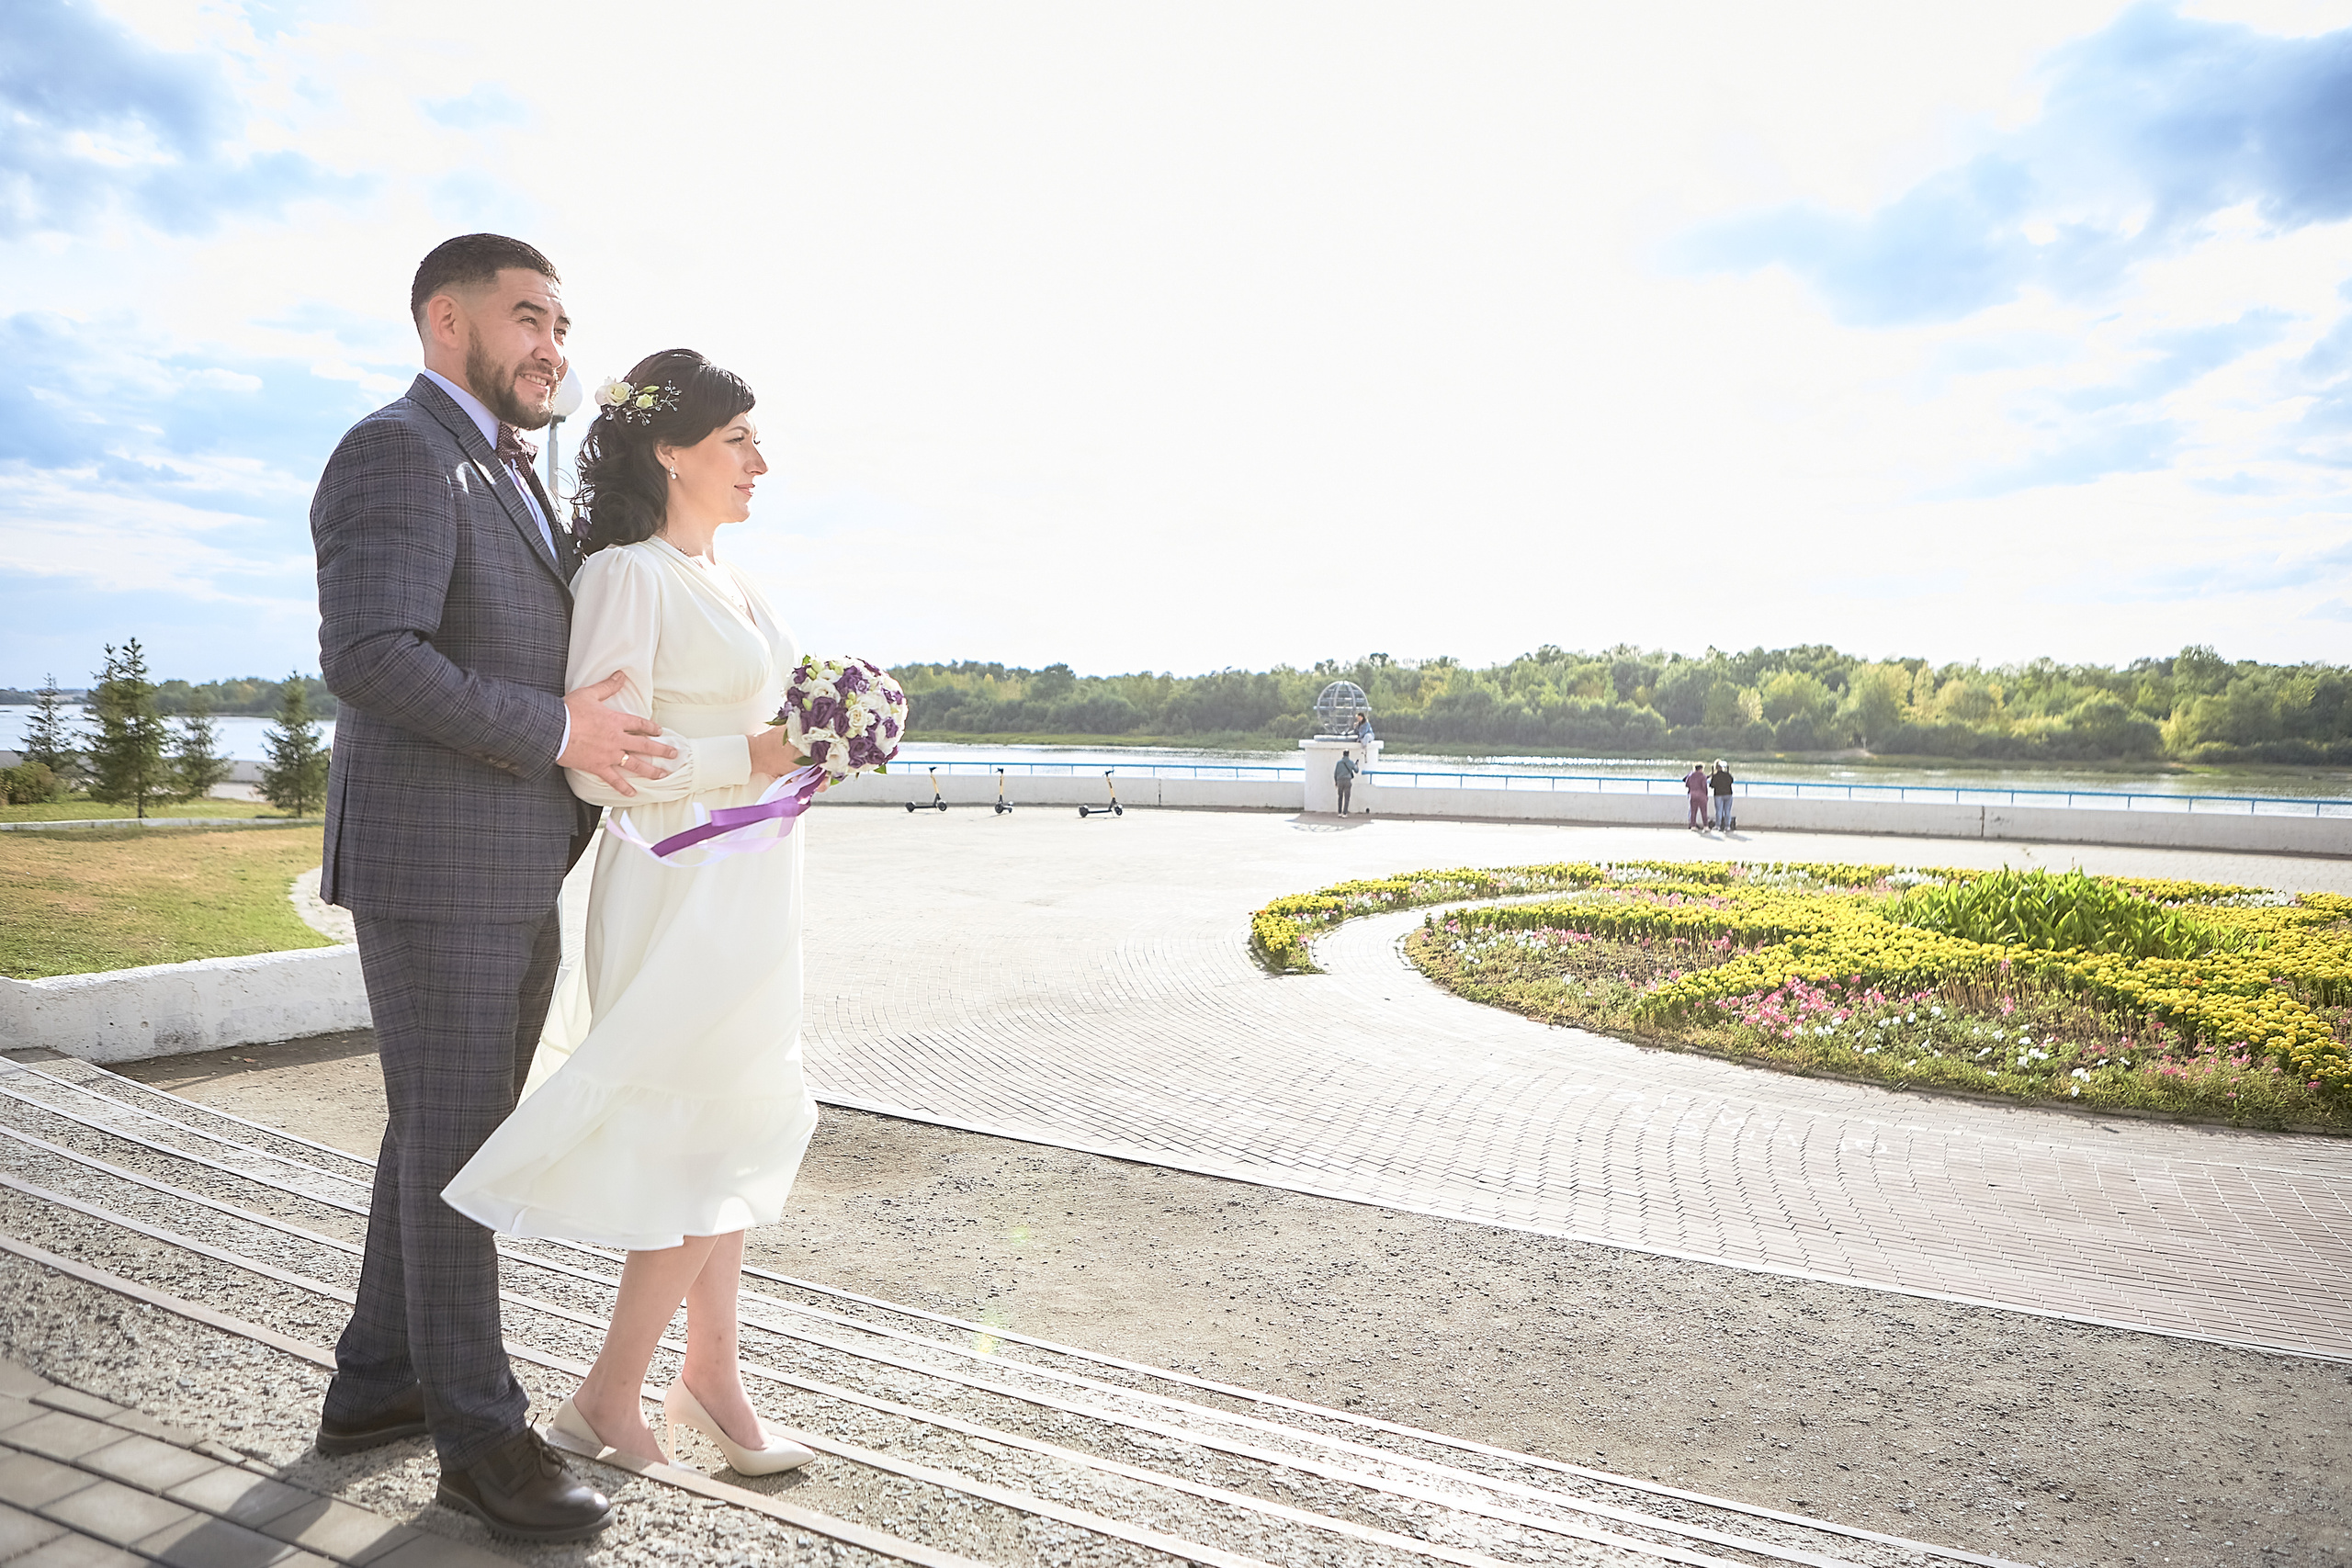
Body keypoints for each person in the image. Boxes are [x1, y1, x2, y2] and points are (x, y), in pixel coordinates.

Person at [311, 235, 675, 1542]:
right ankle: (479, 1435)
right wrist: (559, 733)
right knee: (462, 1143)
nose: (551, 346)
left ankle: (375, 1381)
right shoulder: (396, 450)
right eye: (528, 317)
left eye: (562, 326)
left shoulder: (509, 469)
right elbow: (370, 654)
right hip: (436, 866)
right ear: (442, 318)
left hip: (506, 862)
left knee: (436, 1130)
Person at [444, 349, 822, 1478]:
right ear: (670, 451)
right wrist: (747, 753)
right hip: (673, 885)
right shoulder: (627, 576)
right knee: (688, 1123)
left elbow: (778, 732)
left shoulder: (741, 585)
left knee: (741, 1114)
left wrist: (824, 747)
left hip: (757, 879)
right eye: (738, 439)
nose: (762, 460)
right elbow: (602, 769)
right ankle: (614, 1393)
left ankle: (710, 1375)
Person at [1682, 761, 1710, 831]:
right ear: (1701, 769)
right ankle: (1706, 826)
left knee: (1693, 811)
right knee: (1704, 811)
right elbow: (1704, 786)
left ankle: (1693, 826)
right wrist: (1706, 795)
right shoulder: (1702, 776)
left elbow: (1687, 784)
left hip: (1693, 794)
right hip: (1701, 795)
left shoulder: (1690, 775)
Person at [1711, 759, 1736, 832]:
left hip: (1718, 794)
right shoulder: (1727, 775)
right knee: (1727, 811)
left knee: (1719, 810)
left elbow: (1712, 785)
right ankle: (1727, 826)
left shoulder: (1715, 776)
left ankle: (1718, 825)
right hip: (1728, 793)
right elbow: (1731, 781)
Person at [1334, 748, 1358, 815]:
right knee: (1347, 797)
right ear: (1348, 755)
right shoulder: (1351, 762)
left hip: (1340, 780)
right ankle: (1345, 813)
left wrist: (1336, 781)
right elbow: (1356, 771)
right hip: (1347, 780)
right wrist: (1356, 765)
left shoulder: (1338, 763)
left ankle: (1339, 812)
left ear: (1343, 754)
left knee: (1340, 797)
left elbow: (1335, 773)